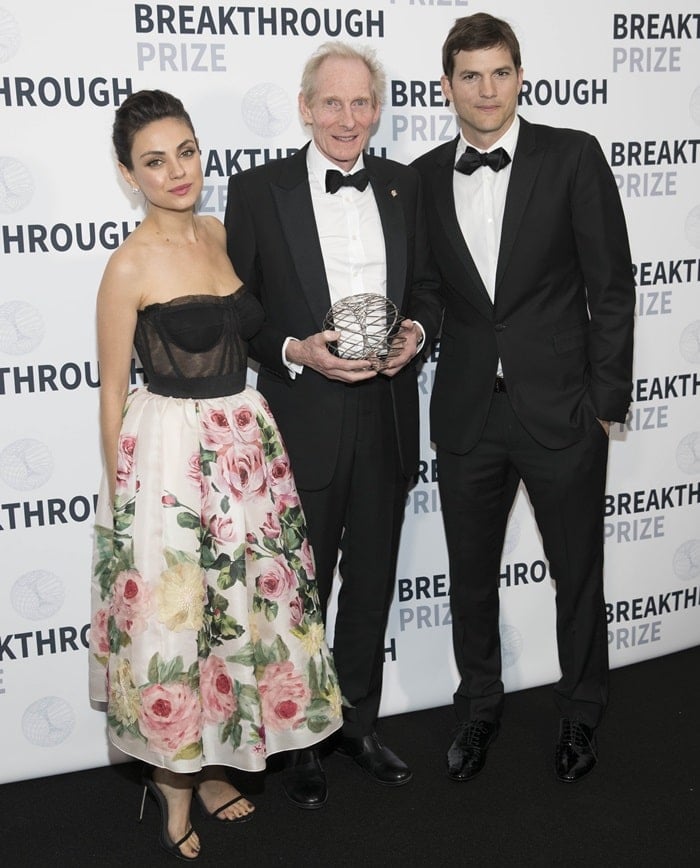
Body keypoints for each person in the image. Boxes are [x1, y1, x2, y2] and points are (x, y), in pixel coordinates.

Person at [88, 89, 343, 860]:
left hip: (246, 450)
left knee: (240, 614)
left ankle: (210, 766)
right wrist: (125, 510)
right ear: (127, 173)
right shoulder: (128, 265)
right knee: (177, 619)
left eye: (186, 152)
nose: (176, 171)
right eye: (154, 161)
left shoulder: (219, 232)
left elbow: (257, 335)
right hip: (169, 462)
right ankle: (170, 785)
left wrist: (304, 349)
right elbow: (109, 396)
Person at [412, 13, 635, 784]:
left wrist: (605, 402)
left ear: (519, 76)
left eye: (499, 72)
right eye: (469, 75)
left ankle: (580, 711)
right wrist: (412, 331)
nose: (486, 89)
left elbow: (611, 286)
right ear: (448, 87)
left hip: (562, 410)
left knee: (578, 572)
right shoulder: (424, 176)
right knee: (469, 577)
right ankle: (478, 710)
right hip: (470, 415)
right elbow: (434, 292)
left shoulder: (573, 157)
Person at [224, 42, 442, 808]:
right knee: (301, 593)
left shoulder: (404, 186)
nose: (348, 119)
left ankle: (358, 724)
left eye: (362, 104)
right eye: (333, 103)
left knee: (373, 585)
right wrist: (293, 350)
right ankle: (304, 741)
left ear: (377, 110)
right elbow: (241, 311)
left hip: (385, 418)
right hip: (303, 421)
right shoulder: (257, 191)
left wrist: (416, 334)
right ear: (305, 106)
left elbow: (426, 286)